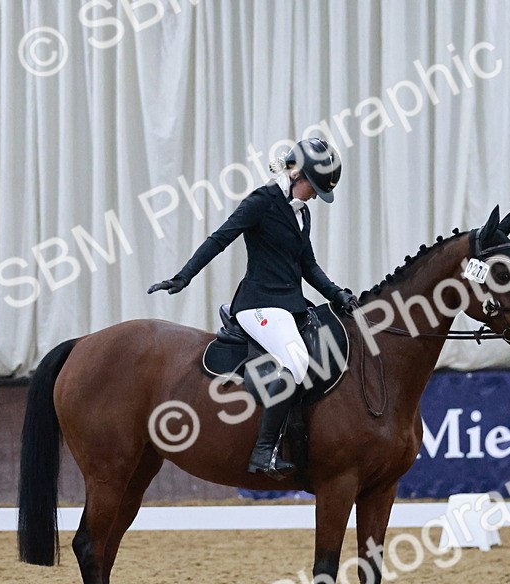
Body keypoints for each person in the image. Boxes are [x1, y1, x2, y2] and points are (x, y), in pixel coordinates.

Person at [148, 137, 358, 478]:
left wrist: (339, 296)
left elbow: (309, 266)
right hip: (257, 306)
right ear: (297, 174)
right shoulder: (262, 202)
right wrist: (182, 277)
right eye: (313, 188)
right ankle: (263, 451)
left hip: (289, 306)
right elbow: (220, 238)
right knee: (298, 359)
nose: (314, 197)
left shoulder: (302, 215)